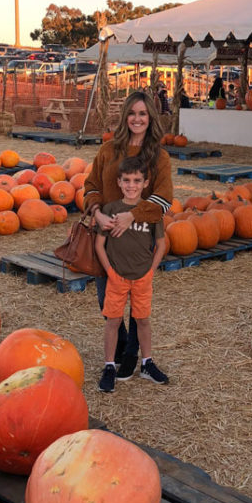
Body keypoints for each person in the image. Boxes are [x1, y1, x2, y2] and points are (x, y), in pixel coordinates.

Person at [83, 91, 173, 382]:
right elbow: (92, 185)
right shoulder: (109, 150)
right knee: (105, 298)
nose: (137, 119)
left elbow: (164, 199)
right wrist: (97, 212)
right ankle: (120, 349)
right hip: (107, 239)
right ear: (125, 117)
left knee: (138, 303)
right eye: (132, 113)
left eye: (143, 114)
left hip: (138, 239)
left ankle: (133, 356)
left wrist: (132, 214)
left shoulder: (159, 157)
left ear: (151, 118)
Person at [95, 156, 168, 394]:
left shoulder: (150, 212)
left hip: (142, 278)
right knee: (113, 321)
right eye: (127, 180)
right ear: (119, 181)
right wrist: (110, 272)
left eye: (137, 180)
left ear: (145, 183)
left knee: (143, 320)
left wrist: (151, 270)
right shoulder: (111, 210)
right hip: (117, 278)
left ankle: (147, 362)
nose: (131, 185)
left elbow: (161, 243)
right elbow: (99, 244)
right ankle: (108, 366)